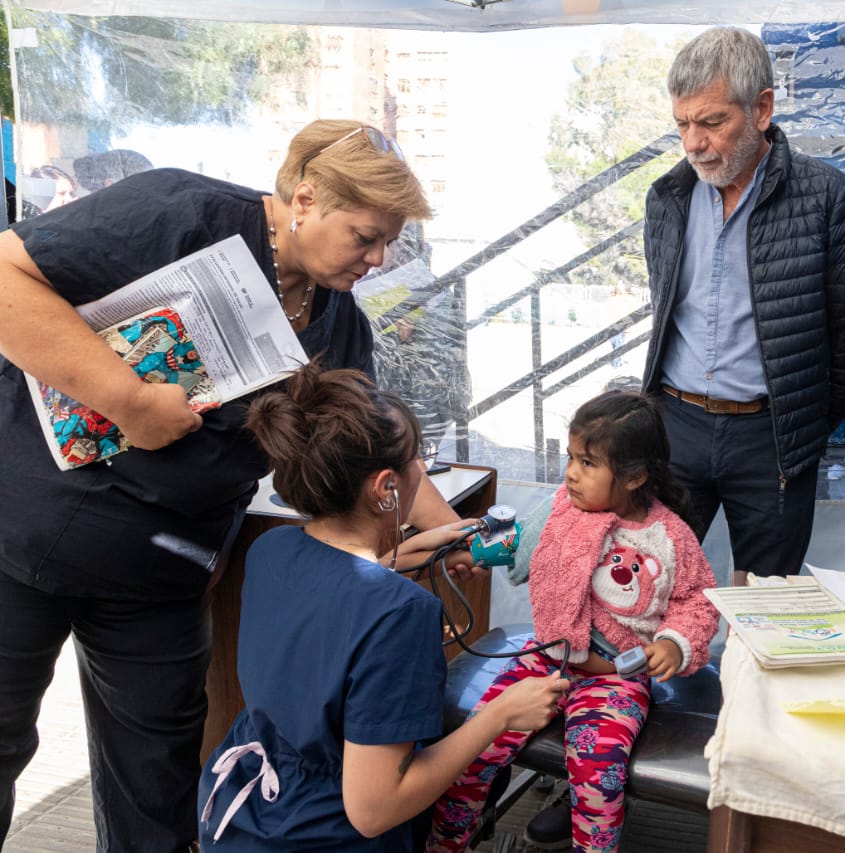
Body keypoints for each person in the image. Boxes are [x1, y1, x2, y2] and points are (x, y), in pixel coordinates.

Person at [0, 119, 462, 851]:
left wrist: (441, 528)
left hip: (161, 568)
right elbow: (4, 276)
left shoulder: (337, 327)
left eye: (388, 243)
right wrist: (127, 399)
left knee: (156, 779)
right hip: (26, 530)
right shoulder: (178, 212)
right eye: (365, 236)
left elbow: (377, 453)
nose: (378, 259)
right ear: (305, 199)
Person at [196, 364, 566, 850]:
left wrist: (394, 559)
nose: (421, 470)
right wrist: (498, 716)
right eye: (420, 459)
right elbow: (374, 810)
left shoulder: (272, 551)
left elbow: (333, 597)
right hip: (321, 836)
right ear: (386, 487)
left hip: (244, 816)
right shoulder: (401, 614)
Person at [427, 390, 720, 853]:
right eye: (570, 457)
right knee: (474, 747)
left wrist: (674, 642)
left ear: (635, 476)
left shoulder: (669, 537)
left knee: (599, 774)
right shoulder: (563, 506)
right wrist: (474, 554)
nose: (570, 473)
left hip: (613, 682)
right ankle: (444, 844)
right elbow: (520, 541)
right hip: (543, 663)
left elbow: (699, 601)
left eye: (587, 463)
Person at [640, 26, 845, 586]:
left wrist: (799, 423)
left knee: (764, 605)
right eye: (682, 124)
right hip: (674, 426)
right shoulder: (667, 198)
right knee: (649, 589)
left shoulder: (828, 199)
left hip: (770, 437)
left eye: (711, 122)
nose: (693, 143)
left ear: (762, 109)